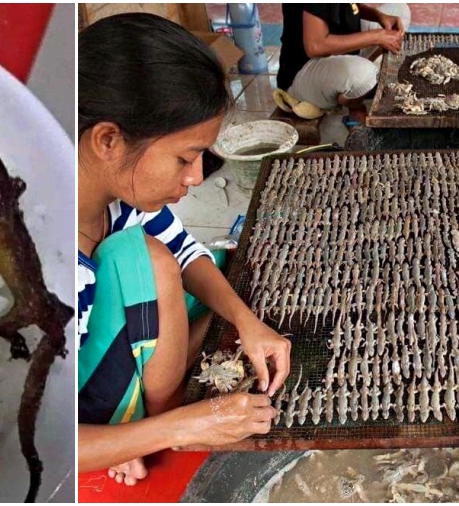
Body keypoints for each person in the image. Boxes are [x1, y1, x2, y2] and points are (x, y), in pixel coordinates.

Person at [78, 13, 292, 487]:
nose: (196, 177)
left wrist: (246, 321)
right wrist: (184, 425)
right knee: (151, 262)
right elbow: (35, 439)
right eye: (184, 157)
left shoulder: (118, 193)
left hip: (99, 335)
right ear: (109, 140)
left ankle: (162, 389)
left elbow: (189, 252)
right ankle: (145, 423)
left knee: (213, 264)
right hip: (76, 412)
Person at [276, 3, 411, 126]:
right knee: (365, 73)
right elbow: (315, 46)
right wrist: (376, 37)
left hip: (335, 51)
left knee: (400, 11)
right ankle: (354, 101)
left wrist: (379, 16)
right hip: (302, 70)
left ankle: (352, 84)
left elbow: (350, 7)